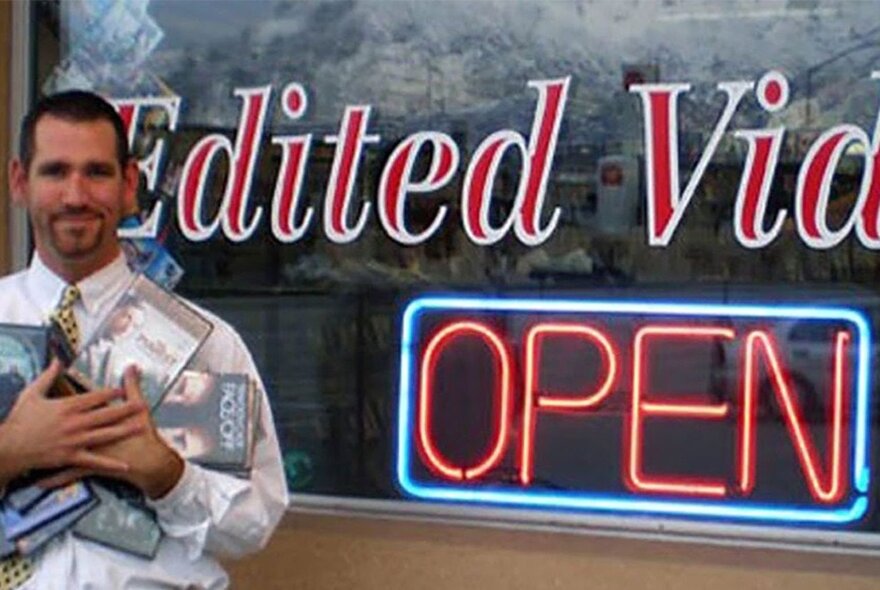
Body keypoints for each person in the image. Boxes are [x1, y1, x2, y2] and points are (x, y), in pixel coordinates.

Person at [0, 90, 288, 588]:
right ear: (20, 181)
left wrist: (168, 477)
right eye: (54, 171)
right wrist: (11, 452)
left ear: (129, 184)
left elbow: (254, 524)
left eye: (97, 172)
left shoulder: (206, 344)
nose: (75, 195)